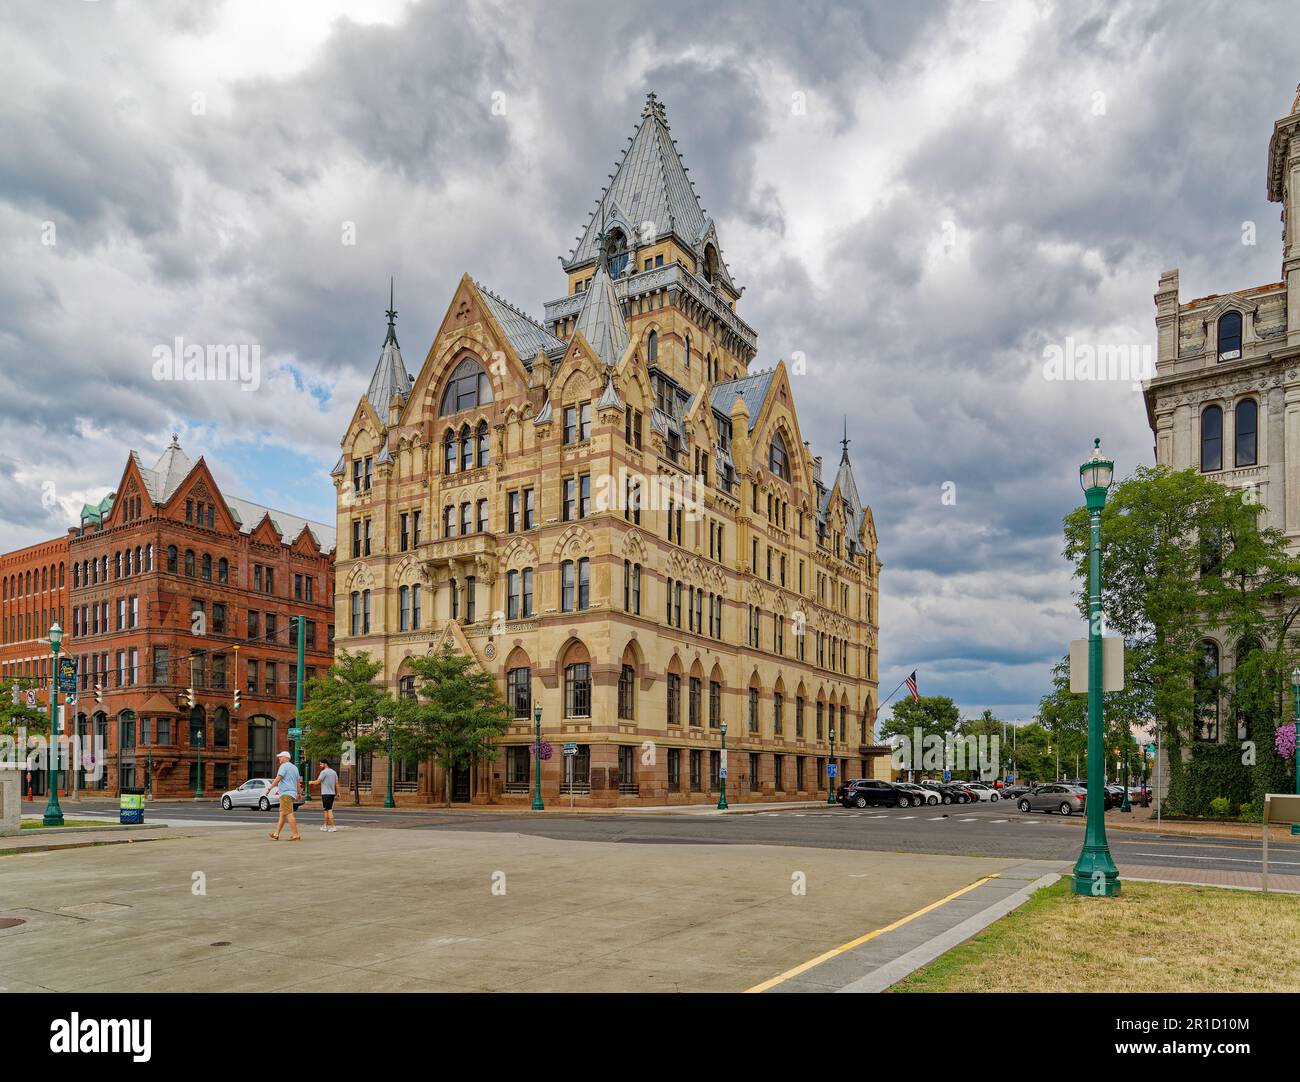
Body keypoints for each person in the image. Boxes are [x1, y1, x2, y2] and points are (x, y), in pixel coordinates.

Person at [268, 751, 302, 841]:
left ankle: (296, 835)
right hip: (292, 793)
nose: (279, 758)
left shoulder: (283, 766)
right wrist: (299, 793)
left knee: (289, 814)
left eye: (280, 757)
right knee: (282, 814)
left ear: (286, 757)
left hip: (285, 793)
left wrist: (270, 788)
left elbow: (279, 778)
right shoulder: (295, 768)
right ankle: (276, 834)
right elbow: (298, 782)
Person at [309, 758, 340, 832]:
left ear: (325, 764)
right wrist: (338, 792)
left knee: (329, 810)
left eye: (321, 764)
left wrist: (311, 782)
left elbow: (318, 781)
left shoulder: (323, 772)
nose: (320, 765)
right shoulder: (334, 772)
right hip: (332, 794)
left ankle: (333, 827)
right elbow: (336, 784)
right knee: (326, 810)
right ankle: (325, 826)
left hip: (325, 794)